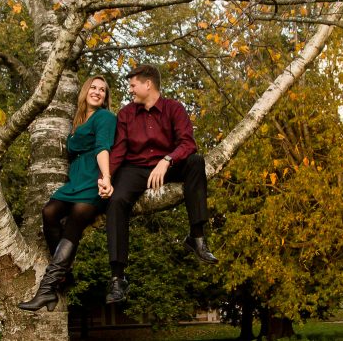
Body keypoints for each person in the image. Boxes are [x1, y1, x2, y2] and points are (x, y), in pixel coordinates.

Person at [99, 64, 218, 305]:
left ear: (148, 84)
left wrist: (167, 160)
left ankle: (197, 238)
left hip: (168, 165)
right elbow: (120, 150)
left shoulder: (174, 108)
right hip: (135, 168)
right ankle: (118, 277)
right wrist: (107, 178)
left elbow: (188, 143)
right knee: (116, 200)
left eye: (133, 85)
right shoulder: (125, 114)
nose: (130, 90)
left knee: (196, 162)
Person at [18, 76, 117, 312]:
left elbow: (103, 147)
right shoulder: (78, 121)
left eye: (102, 90)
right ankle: (64, 276)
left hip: (93, 178)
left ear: (106, 97)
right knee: (49, 212)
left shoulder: (105, 117)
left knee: (75, 220)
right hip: (75, 181)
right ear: (85, 91)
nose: (97, 92)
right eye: (93, 87)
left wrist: (106, 177)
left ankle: (46, 289)